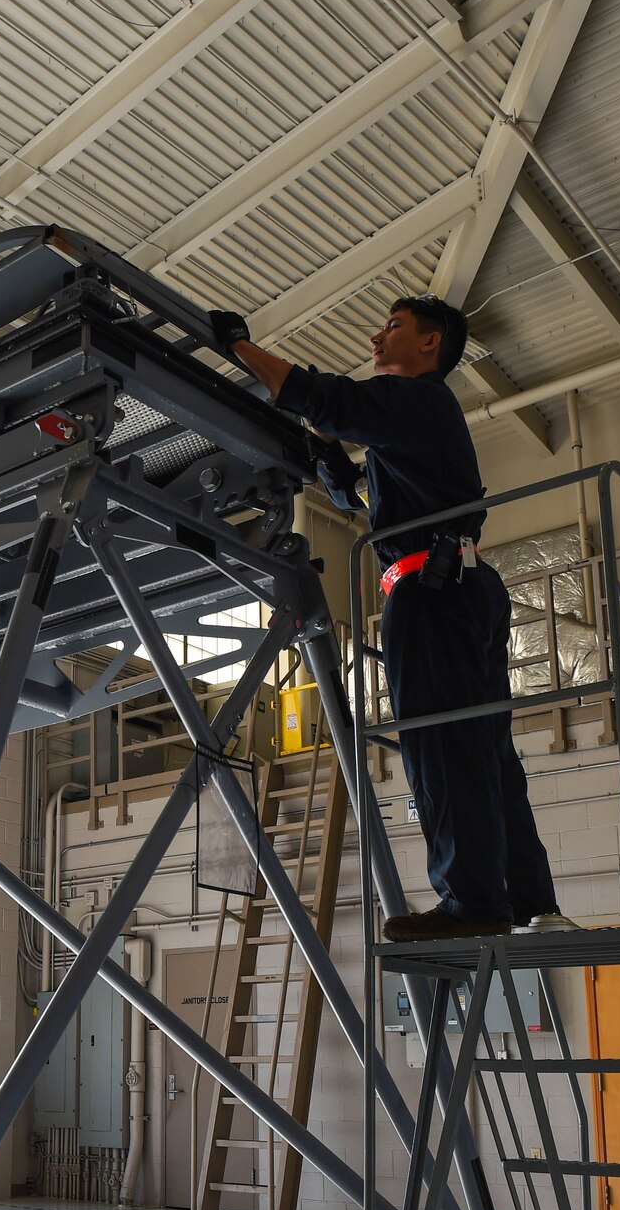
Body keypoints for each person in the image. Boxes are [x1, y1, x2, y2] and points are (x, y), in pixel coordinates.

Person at [207, 295, 572, 941]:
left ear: (430, 344)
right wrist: (328, 453)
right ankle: (523, 898)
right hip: (461, 583)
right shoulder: (415, 422)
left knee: (439, 745)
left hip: (430, 591)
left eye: (394, 328)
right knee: (484, 751)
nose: (378, 337)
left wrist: (237, 344)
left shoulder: (415, 399)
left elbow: (323, 397)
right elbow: (356, 489)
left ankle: (472, 904)